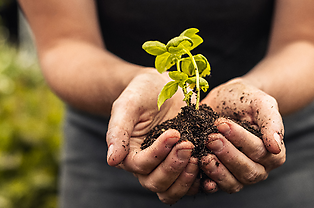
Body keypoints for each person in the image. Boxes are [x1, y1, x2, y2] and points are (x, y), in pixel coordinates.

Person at [18, 0, 314, 207]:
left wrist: (258, 90)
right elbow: (64, 43)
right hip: (118, 145)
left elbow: (305, 41)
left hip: (271, 137)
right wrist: (132, 83)